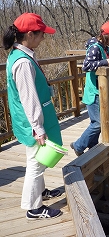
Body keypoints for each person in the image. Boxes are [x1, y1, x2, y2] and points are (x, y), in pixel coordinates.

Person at [3, 12, 63, 219]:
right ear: (29, 34)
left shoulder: (21, 53)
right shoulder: (23, 62)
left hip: (29, 118)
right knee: (35, 164)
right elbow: (29, 98)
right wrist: (38, 128)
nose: (43, 37)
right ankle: (33, 208)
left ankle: (41, 191)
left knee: (38, 159)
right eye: (41, 34)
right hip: (31, 121)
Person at [70, 21, 109, 156]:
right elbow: (86, 66)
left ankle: (93, 146)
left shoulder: (105, 48)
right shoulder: (95, 47)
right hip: (94, 92)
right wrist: (105, 62)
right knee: (98, 123)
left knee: (98, 122)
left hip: (103, 91)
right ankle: (78, 145)